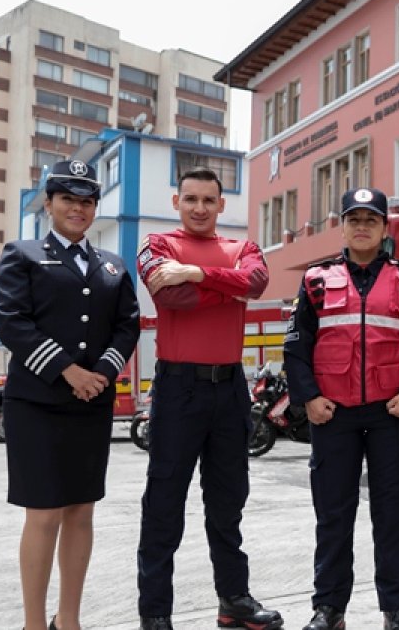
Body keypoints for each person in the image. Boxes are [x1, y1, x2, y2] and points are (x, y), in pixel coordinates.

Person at [0, 159, 141, 630]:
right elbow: (12, 322)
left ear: (96, 206)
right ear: (50, 204)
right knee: (44, 514)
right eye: (68, 199)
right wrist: (68, 371)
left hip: (89, 405)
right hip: (37, 404)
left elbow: (127, 326)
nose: (78, 208)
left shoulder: (113, 265)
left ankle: (69, 620)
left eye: (86, 201)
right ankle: (34, 623)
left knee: (80, 511)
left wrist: (99, 374)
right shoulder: (23, 253)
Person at [283, 187, 399, 630]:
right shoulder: (316, 279)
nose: (363, 226)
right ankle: (329, 608)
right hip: (334, 415)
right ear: (343, 226)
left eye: (371, 219)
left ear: (385, 228)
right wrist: (309, 398)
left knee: (394, 514)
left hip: (391, 414)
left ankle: (396, 608)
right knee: (333, 513)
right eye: (355, 218)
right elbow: (296, 344)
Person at [135, 167, 282, 630]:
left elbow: (257, 283)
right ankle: (155, 611)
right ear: (177, 200)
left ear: (222, 204)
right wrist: (228, 288)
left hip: (230, 390)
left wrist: (199, 272)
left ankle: (234, 600)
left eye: (209, 200)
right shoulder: (157, 245)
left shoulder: (245, 248)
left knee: (228, 501)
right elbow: (173, 297)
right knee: (164, 502)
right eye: (191, 199)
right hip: (179, 388)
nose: (200, 208)